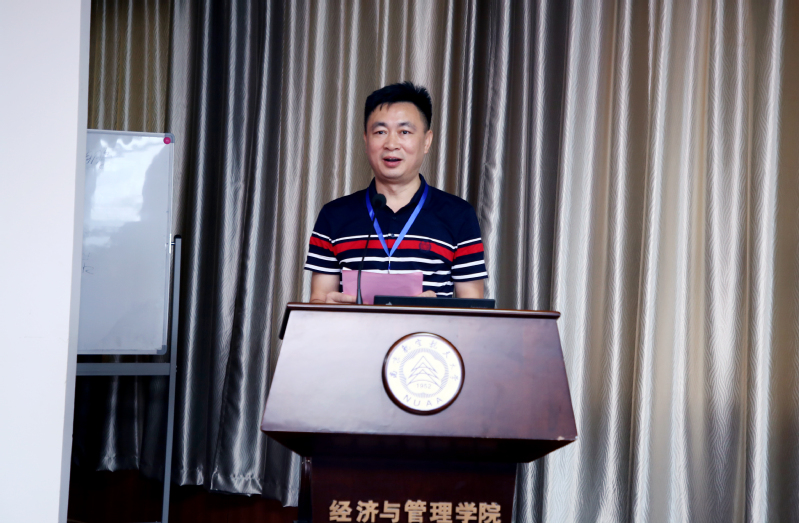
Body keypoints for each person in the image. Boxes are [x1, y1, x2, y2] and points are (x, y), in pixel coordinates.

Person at [305, 81, 487, 304]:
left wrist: (436, 311)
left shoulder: (459, 215)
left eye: (404, 132)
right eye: (380, 132)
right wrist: (330, 308)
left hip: (427, 329)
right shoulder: (333, 215)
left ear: (427, 141)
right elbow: (318, 300)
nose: (391, 144)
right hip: (353, 328)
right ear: (366, 140)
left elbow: (473, 307)